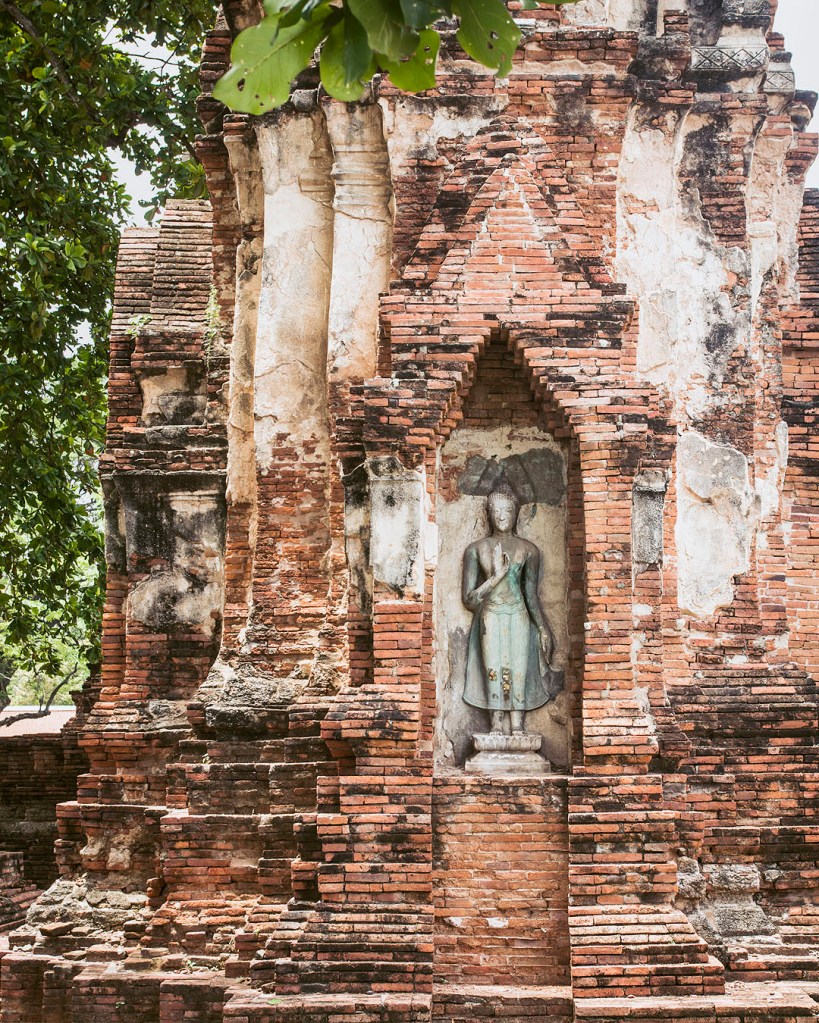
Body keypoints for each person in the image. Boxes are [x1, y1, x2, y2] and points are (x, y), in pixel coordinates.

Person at [461, 483, 559, 733]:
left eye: (507, 511)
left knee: (518, 670)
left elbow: (530, 596)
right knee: (493, 668)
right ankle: (495, 727)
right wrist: (495, 577)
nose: (501, 517)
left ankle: (518, 727)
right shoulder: (476, 549)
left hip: (519, 615)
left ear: (516, 513)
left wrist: (543, 628)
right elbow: (469, 600)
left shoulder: (528, 550)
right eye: (496, 511)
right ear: (489, 513)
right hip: (490, 616)